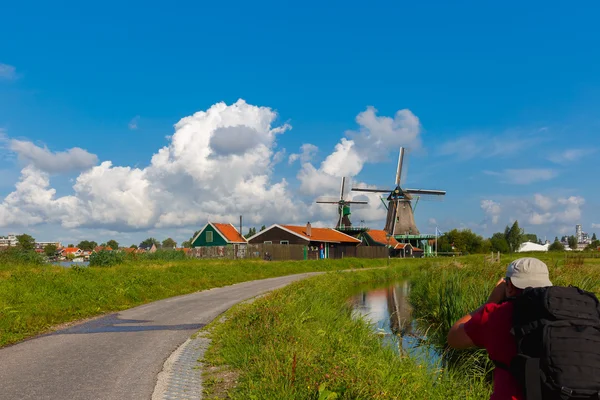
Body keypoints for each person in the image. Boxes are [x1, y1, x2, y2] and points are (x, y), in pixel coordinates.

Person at [447, 257, 553, 400]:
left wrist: (490, 303)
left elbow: (454, 337)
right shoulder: (566, 313)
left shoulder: (498, 315)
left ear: (509, 286)